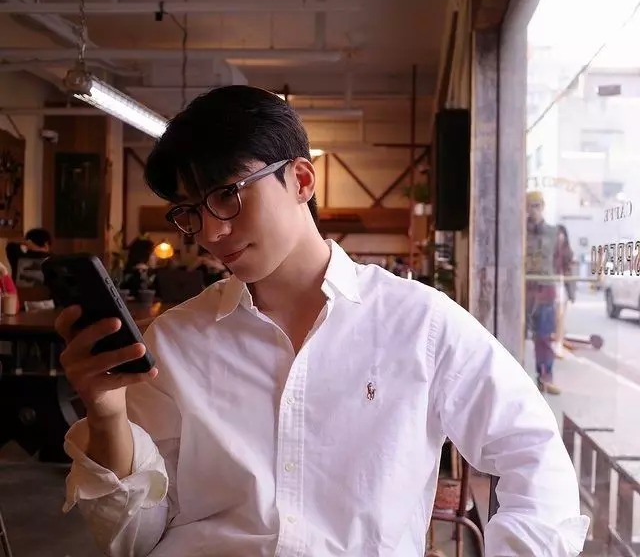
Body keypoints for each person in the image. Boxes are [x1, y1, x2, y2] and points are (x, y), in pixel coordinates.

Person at [56, 86, 588, 556]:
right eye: (190, 212)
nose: (211, 233)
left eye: (226, 195)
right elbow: (136, 540)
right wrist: (106, 414)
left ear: (301, 180)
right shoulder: (174, 342)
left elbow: (533, 452)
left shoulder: (418, 323)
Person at [525, 191, 561, 395]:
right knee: (516, 335)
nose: (534, 210)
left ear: (543, 206)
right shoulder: (519, 232)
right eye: (531, 206)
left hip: (546, 289)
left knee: (544, 337)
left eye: (537, 205)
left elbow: (562, 260)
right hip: (524, 289)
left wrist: (568, 291)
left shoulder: (554, 233)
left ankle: (545, 377)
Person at [553, 224, 575, 358]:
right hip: (550, 283)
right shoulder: (549, 251)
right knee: (553, 316)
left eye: (561, 235)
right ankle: (556, 341)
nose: (559, 237)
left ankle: (558, 344)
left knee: (560, 316)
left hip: (561, 284)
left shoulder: (568, 252)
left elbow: (570, 271)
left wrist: (571, 294)